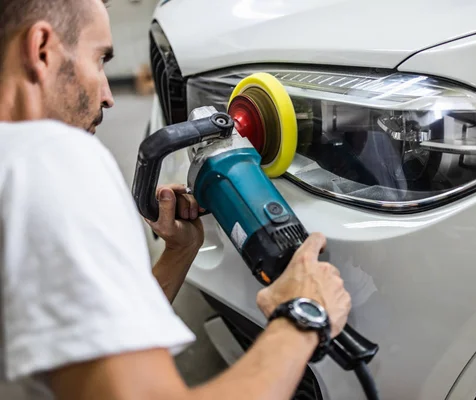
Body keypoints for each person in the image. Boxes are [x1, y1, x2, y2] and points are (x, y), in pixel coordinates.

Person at [0, 1, 352, 399]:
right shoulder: (46, 159)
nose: (108, 95)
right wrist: (302, 316)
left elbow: (93, 342)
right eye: (99, 60)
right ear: (42, 49)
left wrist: (180, 252)